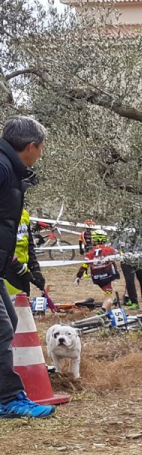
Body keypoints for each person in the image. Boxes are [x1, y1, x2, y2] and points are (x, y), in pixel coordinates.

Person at [0, 115, 55, 418]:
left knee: (7, 320)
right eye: (42, 148)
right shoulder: (2, 168)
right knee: (2, 327)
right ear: (31, 146)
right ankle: (8, 399)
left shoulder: (9, 168)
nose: (41, 154)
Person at [4, 209, 47, 299]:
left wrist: (35, 269)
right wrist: (18, 267)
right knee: (12, 307)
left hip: (23, 269)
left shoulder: (24, 214)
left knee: (24, 305)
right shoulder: (4, 213)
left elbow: (29, 244)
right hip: (6, 269)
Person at [75, 229, 121, 311]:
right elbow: (120, 254)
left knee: (108, 293)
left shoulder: (90, 253)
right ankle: (103, 310)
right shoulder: (109, 250)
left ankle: (108, 313)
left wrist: (78, 276)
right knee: (109, 298)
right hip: (107, 276)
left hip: (96, 277)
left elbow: (84, 265)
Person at [119, 227, 142, 311]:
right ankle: (134, 302)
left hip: (141, 260)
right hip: (126, 261)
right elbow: (114, 246)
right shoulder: (120, 232)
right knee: (130, 281)